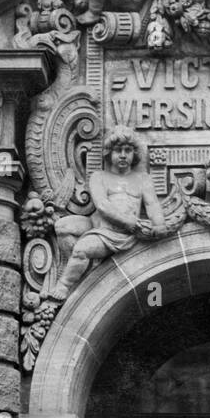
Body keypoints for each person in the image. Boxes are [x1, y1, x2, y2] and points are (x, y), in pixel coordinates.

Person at [51, 127, 166, 300]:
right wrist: (131, 222)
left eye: (127, 150)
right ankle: (82, 267)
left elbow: (153, 205)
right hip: (101, 225)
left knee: (82, 249)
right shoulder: (99, 177)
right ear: (108, 153)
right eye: (118, 150)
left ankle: (65, 284)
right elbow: (103, 206)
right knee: (62, 226)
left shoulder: (143, 179)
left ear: (134, 154)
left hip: (122, 234)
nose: (122, 155)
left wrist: (159, 224)